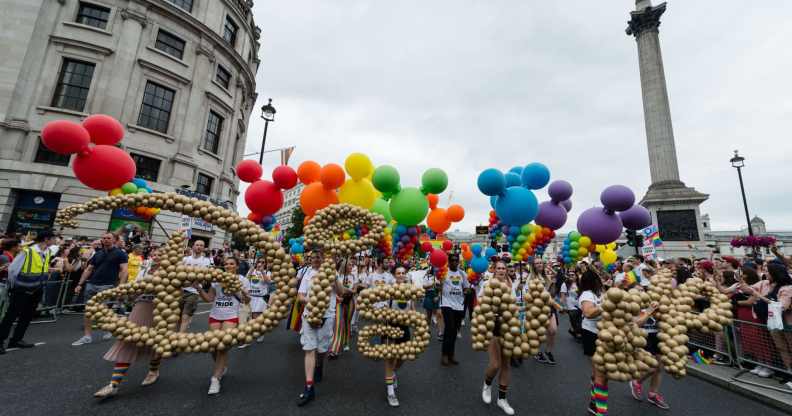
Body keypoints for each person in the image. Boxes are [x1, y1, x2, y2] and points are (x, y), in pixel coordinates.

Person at [93, 250, 164, 398]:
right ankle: (113, 385)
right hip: (141, 306)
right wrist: (128, 293)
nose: (156, 257)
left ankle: (153, 371)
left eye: (160, 255)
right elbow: (134, 290)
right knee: (128, 340)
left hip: (160, 310)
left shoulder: (171, 271)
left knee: (156, 343)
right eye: (155, 254)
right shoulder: (144, 270)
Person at [196, 257, 250, 395]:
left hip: (231, 316)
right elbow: (209, 299)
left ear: (237, 266)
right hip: (215, 315)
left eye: (231, 263)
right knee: (212, 347)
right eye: (226, 263)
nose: (228, 265)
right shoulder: (216, 279)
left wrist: (239, 289)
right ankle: (222, 366)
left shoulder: (243, 280)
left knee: (222, 346)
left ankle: (215, 379)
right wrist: (198, 287)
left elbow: (247, 300)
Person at [296, 250, 343, 406]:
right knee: (309, 348)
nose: (316, 259)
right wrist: (311, 301)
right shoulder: (308, 274)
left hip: (327, 316)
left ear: (324, 258)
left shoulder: (333, 272)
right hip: (309, 315)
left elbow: (341, 292)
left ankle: (319, 365)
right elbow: (300, 295)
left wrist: (335, 277)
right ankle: (309, 387)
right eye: (314, 257)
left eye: (319, 257)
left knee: (321, 350)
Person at [0, 230, 56, 354]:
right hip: (21, 289)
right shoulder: (28, 251)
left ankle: (16, 340)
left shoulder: (47, 252)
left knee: (27, 316)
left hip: (37, 289)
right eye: (53, 238)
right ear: (47, 239)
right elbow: (12, 271)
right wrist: (15, 286)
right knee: (11, 316)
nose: (55, 241)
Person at [72, 233, 128, 346]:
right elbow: (89, 269)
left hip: (107, 286)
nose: (106, 240)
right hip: (92, 284)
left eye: (108, 238)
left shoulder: (120, 254)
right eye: (104, 238)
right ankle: (87, 336)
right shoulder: (98, 253)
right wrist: (80, 284)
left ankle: (109, 328)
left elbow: (124, 271)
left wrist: (121, 286)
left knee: (102, 311)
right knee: (88, 311)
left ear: (114, 240)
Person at [742, 261, 792, 388]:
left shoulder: (787, 288)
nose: (766, 274)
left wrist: (759, 296)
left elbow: (781, 306)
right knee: (781, 348)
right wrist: (741, 281)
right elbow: (747, 289)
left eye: (768, 272)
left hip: (787, 324)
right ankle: (788, 372)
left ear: (775, 273)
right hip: (774, 323)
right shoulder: (767, 284)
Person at [479, 260, 516, 415]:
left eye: (503, 268)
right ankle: (487, 384)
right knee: (495, 364)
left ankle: (502, 399)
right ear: (494, 270)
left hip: (507, 326)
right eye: (498, 268)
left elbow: (514, 304)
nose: (501, 270)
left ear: (506, 270)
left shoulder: (511, 285)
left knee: (506, 365)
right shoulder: (487, 284)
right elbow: (480, 302)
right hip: (492, 326)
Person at [627, 283, 668, 409]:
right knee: (651, 366)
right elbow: (636, 324)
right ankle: (636, 381)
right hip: (642, 338)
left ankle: (653, 394)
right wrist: (649, 312)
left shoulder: (650, 303)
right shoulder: (629, 307)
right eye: (638, 291)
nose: (641, 293)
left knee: (659, 367)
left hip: (657, 336)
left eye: (642, 290)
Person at [383, 266, 415, 407]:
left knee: (402, 356)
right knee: (391, 358)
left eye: (403, 273)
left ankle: (393, 373)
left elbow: (412, 308)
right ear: (394, 275)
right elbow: (384, 307)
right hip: (391, 325)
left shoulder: (410, 289)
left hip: (405, 326)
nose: (401, 275)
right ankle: (390, 392)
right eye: (398, 273)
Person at [578, 266, 606, 416]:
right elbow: (588, 313)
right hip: (591, 334)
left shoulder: (600, 292)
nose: (602, 279)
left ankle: (594, 402)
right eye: (599, 277)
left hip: (603, 334)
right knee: (601, 373)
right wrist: (604, 305)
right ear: (593, 280)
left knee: (600, 373)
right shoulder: (587, 295)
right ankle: (598, 409)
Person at [440, 253, 470, 366]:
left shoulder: (462, 273)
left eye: (456, 260)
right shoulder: (444, 272)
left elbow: (466, 287)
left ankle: (451, 354)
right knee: (449, 328)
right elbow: (438, 285)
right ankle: (444, 355)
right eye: (451, 260)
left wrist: (467, 291)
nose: (454, 262)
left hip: (459, 305)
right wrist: (438, 285)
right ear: (448, 261)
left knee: (454, 332)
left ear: (458, 261)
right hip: (447, 304)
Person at [179, 240, 213, 332]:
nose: (199, 247)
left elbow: (201, 278)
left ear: (203, 248)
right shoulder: (185, 259)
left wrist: (189, 282)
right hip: (180, 291)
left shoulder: (206, 261)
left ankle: (178, 339)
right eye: (197, 245)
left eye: (201, 245)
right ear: (193, 246)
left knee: (185, 317)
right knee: (177, 317)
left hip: (193, 292)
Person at [329, 257, 358, 357]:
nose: (351, 266)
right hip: (339, 302)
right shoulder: (338, 275)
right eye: (349, 265)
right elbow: (333, 288)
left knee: (347, 323)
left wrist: (346, 290)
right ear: (344, 265)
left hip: (350, 301)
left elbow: (354, 290)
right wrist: (338, 295)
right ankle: (334, 349)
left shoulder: (354, 277)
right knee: (338, 325)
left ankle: (346, 342)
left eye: (352, 265)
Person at [240, 258, 271, 346]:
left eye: (263, 262)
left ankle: (261, 332)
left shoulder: (267, 272)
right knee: (247, 319)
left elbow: (268, 282)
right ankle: (247, 339)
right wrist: (251, 269)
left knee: (255, 319)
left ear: (265, 264)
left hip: (260, 299)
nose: (260, 263)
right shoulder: (252, 271)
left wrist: (262, 272)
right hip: (250, 298)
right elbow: (245, 280)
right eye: (259, 262)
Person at [560, 269, 582, 340]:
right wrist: (564, 306)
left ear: (576, 276)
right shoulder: (565, 284)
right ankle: (577, 333)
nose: (570, 276)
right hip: (571, 306)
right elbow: (563, 295)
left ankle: (573, 330)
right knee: (574, 320)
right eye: (569, 275)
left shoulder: (580, 283)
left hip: (580, 305)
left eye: (572, 275)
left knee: (581, 321)